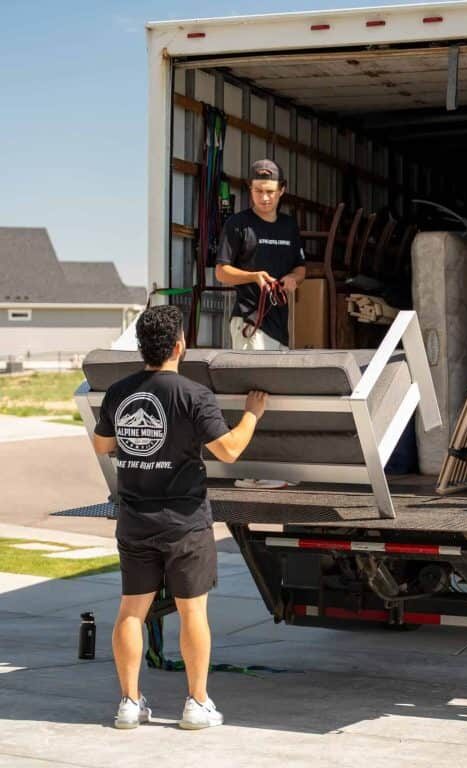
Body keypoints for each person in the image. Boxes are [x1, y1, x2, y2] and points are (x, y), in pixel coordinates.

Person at [91, 305, 268, 730]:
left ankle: (129, 704)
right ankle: (196, 703)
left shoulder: (119, 392)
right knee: (193, 613)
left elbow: (102, 446)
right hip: (185, 523)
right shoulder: (193, 395)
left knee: (131, 612)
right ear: (178, 346)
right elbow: (229, 451)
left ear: (141, 348)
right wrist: (252, 415)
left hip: (134, 519)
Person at [215, 158, 305, 490]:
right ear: (250, 191)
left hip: (280, 324)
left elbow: (300, 267)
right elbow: (221, 271)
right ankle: (250, 470)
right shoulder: (238, 225)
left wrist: (293, 279)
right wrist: (253, 275)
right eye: (257, 191)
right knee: (254, 396)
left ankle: (270, 468)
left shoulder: (289, 227)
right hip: (250, 321)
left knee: (275, 398)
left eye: (269, 191)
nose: (263, 198)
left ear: (281, 191)